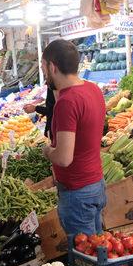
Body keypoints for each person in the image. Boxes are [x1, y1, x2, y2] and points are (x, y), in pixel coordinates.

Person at [41, 39, 106, 236]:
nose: (44, 74)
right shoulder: (93, 89)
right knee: (98, 251)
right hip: (96, 184)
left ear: (52, 67)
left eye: (43, 67)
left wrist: (47, 150)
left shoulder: (67, 102)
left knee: (86, 258)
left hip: (77, 193)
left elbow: (64, 158)